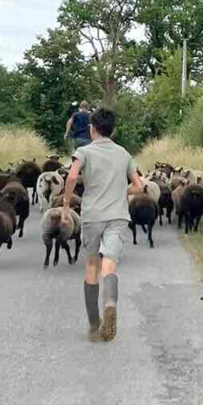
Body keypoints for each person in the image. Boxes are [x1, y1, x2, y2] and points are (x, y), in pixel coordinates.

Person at [61, 106, 145, 342]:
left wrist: (66, 205)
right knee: (109, 264)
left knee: (91, 266)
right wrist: (121, 191)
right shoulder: (124, 154)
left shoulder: (84, 151)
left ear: (92, 129)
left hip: (92, 216)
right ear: (113, 130)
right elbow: (139, 186)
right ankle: (110, 303)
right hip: (118, 216)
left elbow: (72, 176)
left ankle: (94, 324)